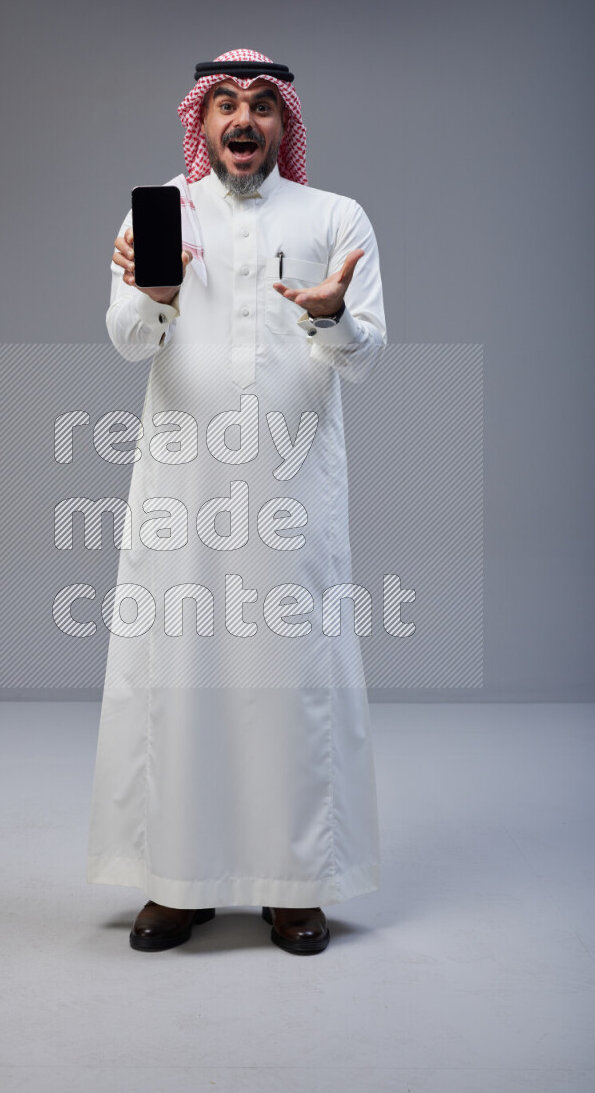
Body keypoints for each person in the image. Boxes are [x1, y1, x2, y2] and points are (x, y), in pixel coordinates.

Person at [86, 49, 387, 955]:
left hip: (293, 492)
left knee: (291, 681)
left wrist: (330, 312)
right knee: (181, 677)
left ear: (284, 123)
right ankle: (177, 883)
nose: (243, 119)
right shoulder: (160, 213)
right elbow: (127, 341)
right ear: (203, 121)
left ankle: (293, 886)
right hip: (184, 493)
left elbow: (367, 356)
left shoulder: (335, 217)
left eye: (261, 104)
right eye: (224, 104)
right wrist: (155, 295)